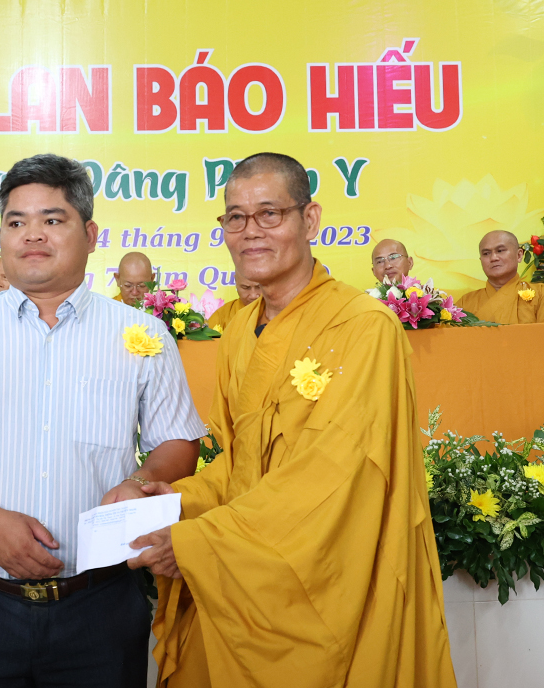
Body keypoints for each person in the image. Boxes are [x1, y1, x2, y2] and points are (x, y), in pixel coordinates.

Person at [129, 152, 455, 687]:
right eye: (236, 217)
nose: (250, 232)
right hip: (244, 573)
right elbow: (241, 462)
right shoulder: (239, 330)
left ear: (310, 219)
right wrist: (180, 500)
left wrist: (199, 543)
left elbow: (334, 475)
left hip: (329, 584)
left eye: (269, 214)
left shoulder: (363, 327)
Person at [0, 153, 205, 688]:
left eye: (52, 219)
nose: (32, 234)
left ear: (90, 234)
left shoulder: (143, 335)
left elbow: (178, 442)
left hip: (101, 609)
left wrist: (141, 480)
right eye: (16, 222)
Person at [458, 230, 544, 324]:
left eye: (500, 251)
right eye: (486, 253)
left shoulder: (543, 295)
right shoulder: (465, 303)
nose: (493, 258)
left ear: (519, 255)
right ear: (481, 260)